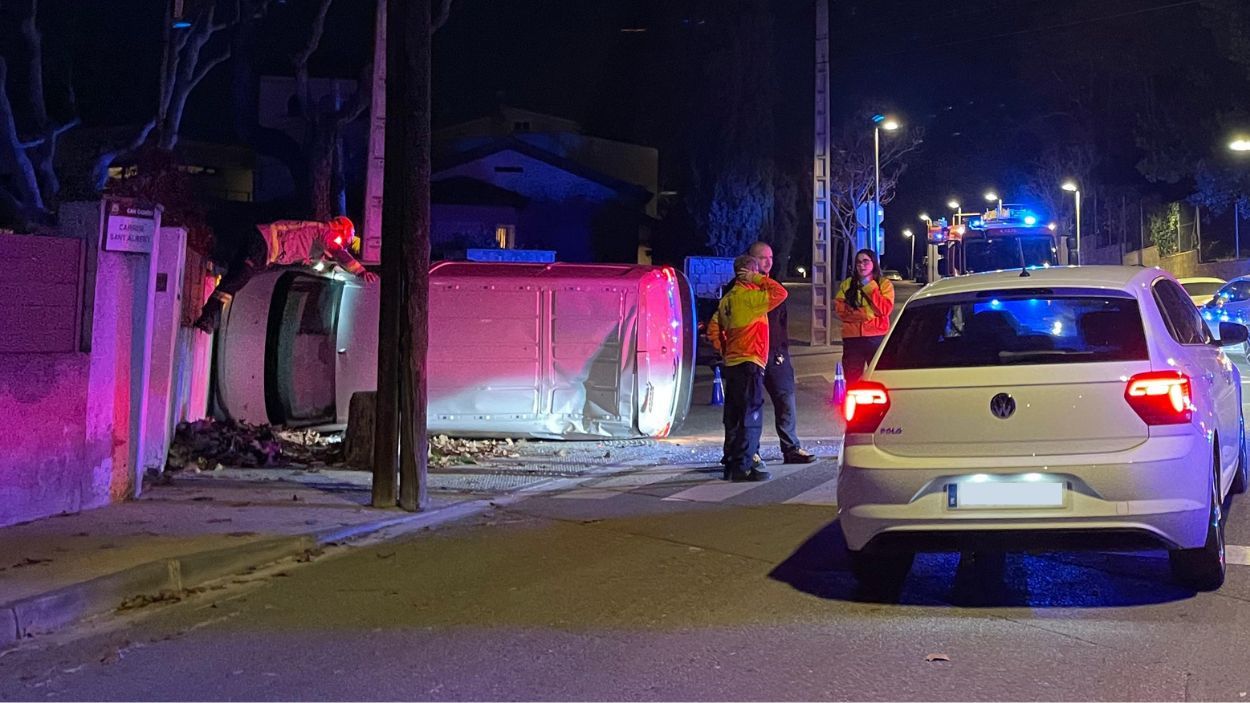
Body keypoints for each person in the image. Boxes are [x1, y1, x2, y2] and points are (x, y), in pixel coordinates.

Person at [192, 216, 379, 333]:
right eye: (343, 241)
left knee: (234, 273)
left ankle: (210, 267)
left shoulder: (316, 235)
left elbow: (325, 259)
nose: (341, 244)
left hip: (262, 242)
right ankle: (208, 316)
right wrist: (360, 271)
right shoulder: (327, 233)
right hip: (264, 245)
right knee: (237, 280)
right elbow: (338, 253)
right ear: (340, 231)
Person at [706, 254, 789, 482]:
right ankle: (744, 466)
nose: (761, 275)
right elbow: (781, 293)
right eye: (756, 272)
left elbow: (713, 330)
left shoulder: (726, 300)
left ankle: (731, 462)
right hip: (750, 361)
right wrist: (757, 279)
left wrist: (724, 350)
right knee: (751, 415)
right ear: (749, 272)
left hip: (731, 364)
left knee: (733, 415)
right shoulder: (752, 298)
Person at [747, 241, 816, 464]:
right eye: (762, 258)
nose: (768, 262)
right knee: (752, 404)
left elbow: (782, 320)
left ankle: (791, 448)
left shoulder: (773, 286)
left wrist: (783, 349)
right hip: (752, 354)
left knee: (786, 399)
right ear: (751, 261)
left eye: (770, 258)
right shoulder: (741, 289)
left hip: (776, 353)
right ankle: (751, 451)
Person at [835, 248, 895, 383]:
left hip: (876, 337)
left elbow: (884, 309)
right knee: (852, 379)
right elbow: (840, 310)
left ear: (874, 263)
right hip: (852, 339)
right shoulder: (847, 284)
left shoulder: (884, 284)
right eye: (858, 262)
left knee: (879, 378)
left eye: (866, 261)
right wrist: (867, 314)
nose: (861, 265)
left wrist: (869, 287)